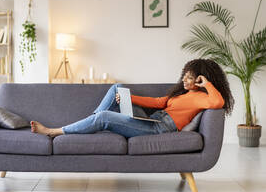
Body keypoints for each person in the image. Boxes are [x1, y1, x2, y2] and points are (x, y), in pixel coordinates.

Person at [31, 59, 234, 138]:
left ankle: (52, 132)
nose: (185, 80)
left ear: (200, 78)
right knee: (117, 87)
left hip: (158, 128)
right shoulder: (182, 94)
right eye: (185, 76)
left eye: (191, 78)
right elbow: (157, 103)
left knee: (104, 117)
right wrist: (126, 97)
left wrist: (206, 83)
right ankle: (90, 120)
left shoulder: (201, 97)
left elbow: (218, 102)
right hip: (152, 118)